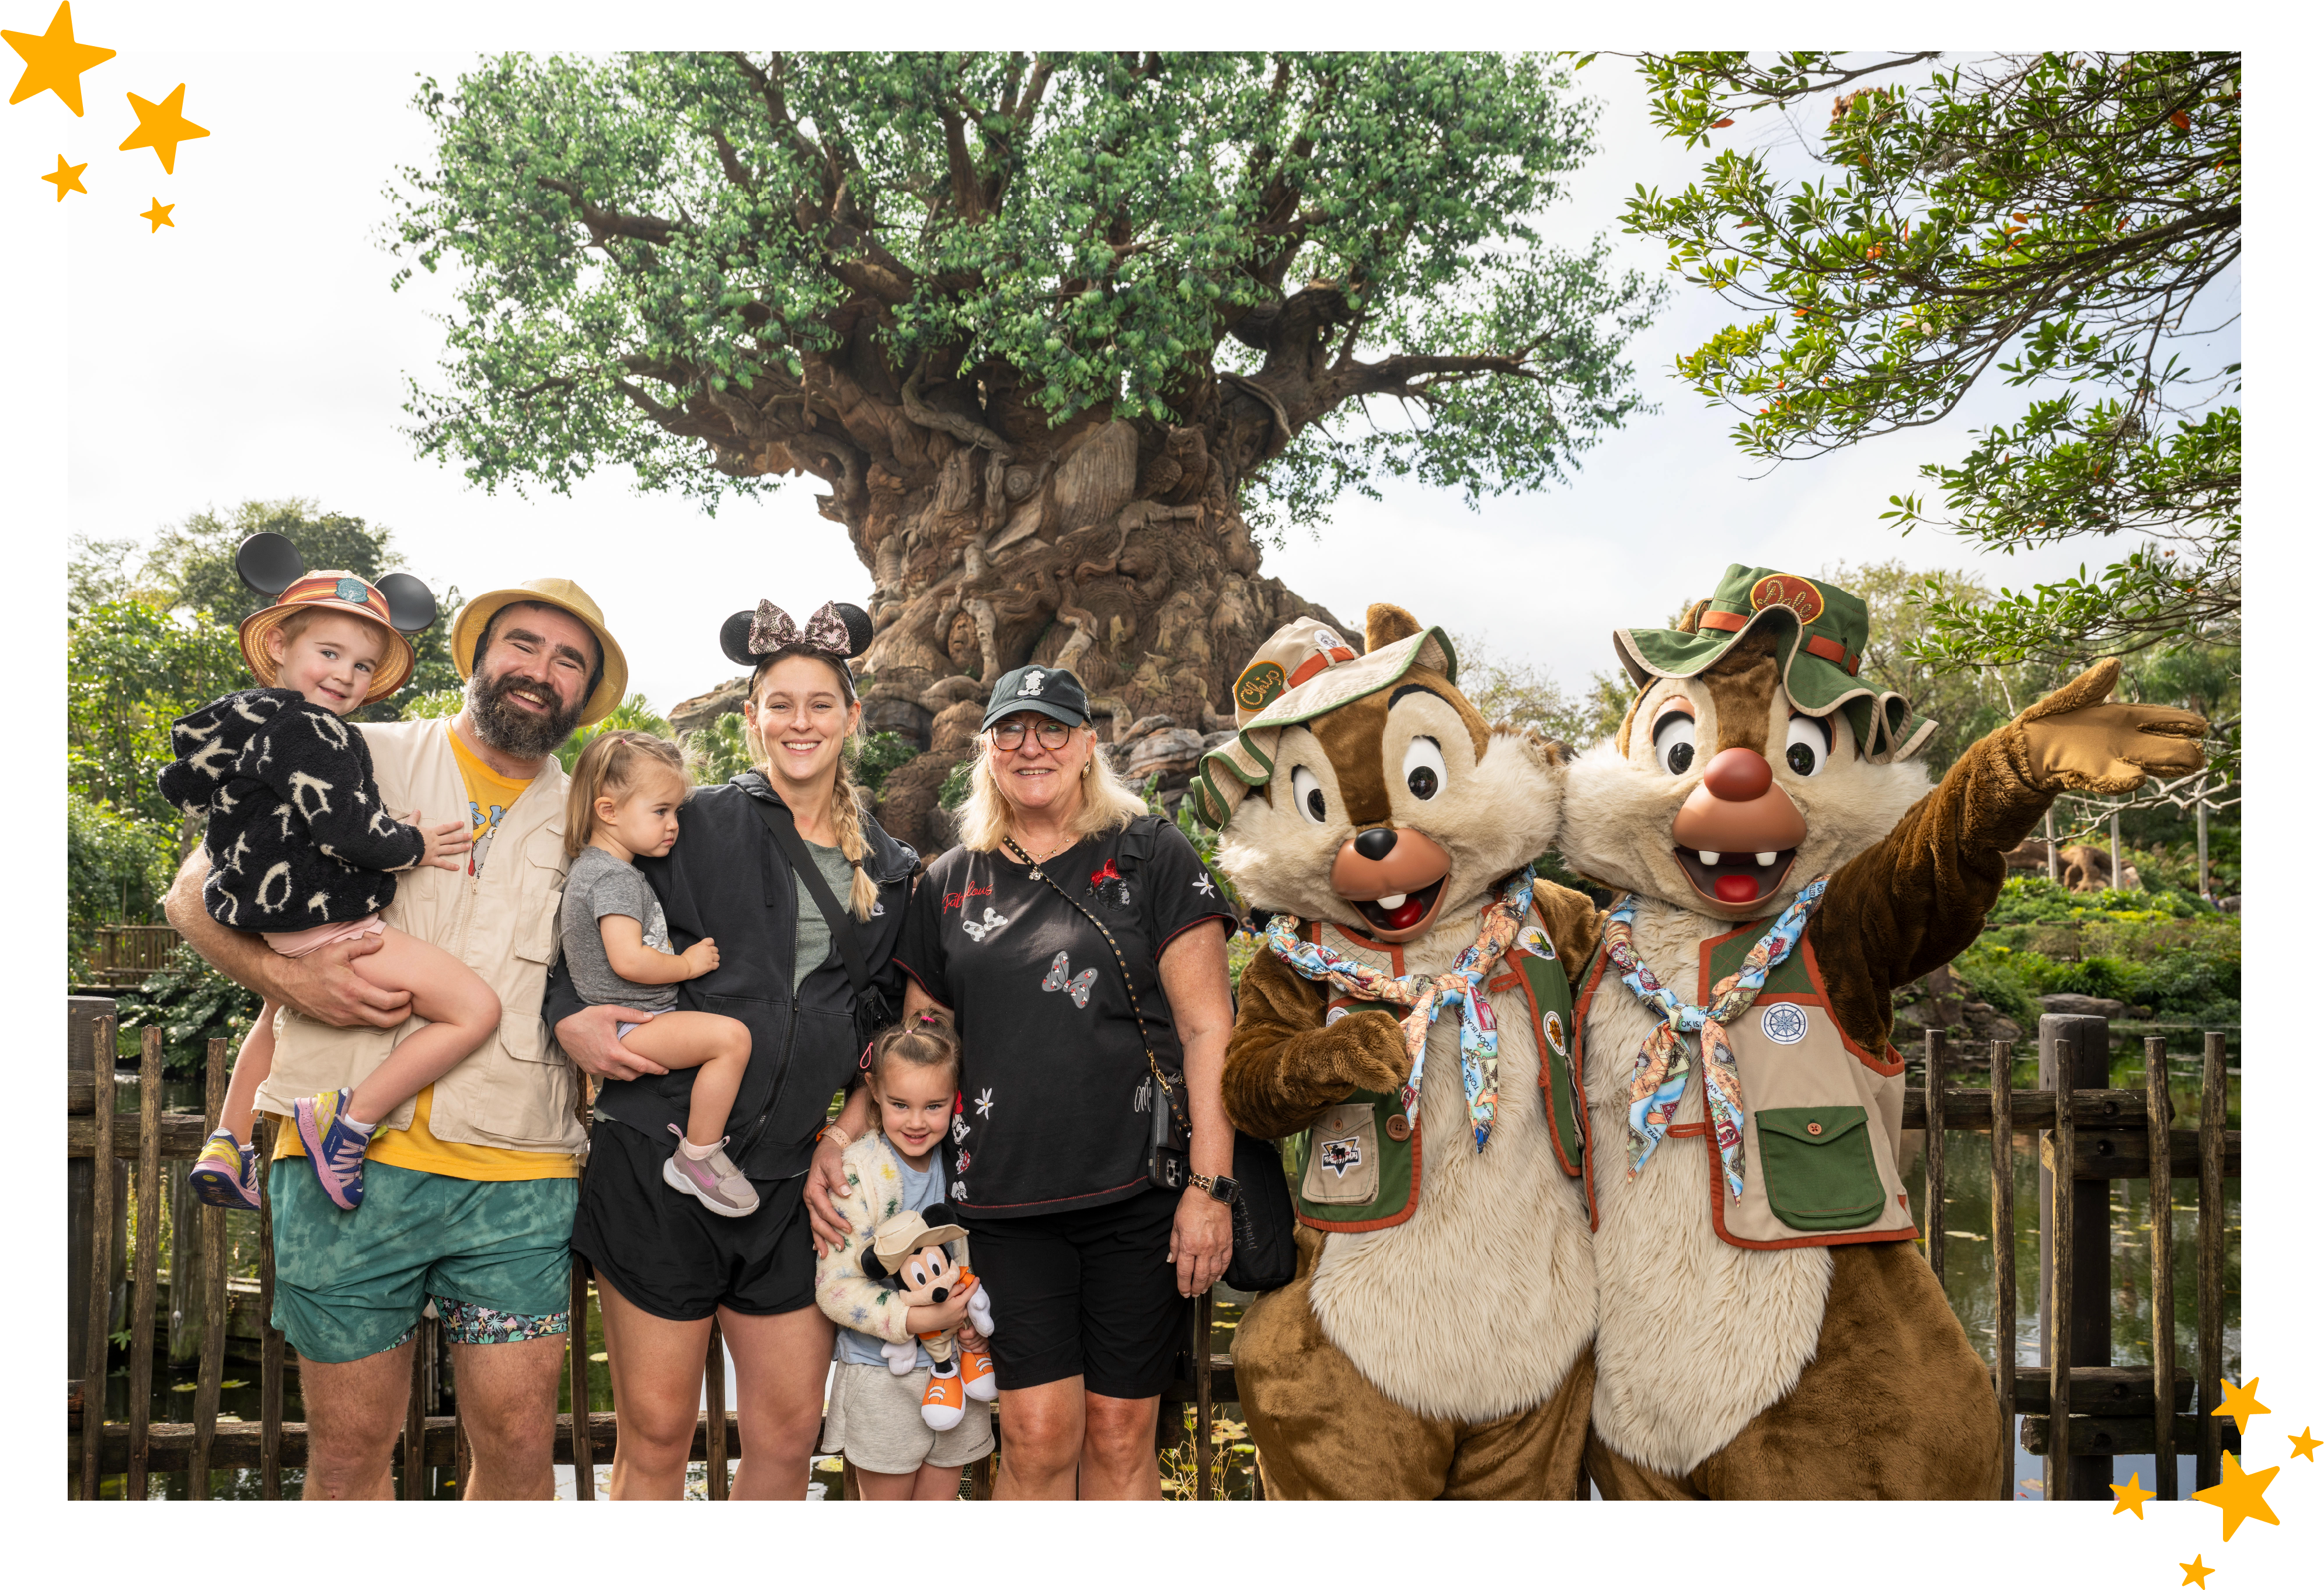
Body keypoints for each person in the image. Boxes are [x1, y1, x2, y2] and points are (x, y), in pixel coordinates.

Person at [165, 576, 626, 1500]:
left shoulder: (593, 812)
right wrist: (289, 976)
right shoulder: (347, 749)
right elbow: (189, 894)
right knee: (346, 1455)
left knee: (520, 1451)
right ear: (477, 657)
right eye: (522, 644)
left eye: (568, 659)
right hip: (344, 1170)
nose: (540, 670)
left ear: (585, 691)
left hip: (517, 1170)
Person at [548, 599, 917, 1500]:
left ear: (851, 715)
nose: (800, 722)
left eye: (821, 703)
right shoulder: (692, 822)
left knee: (790, 1435)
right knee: (659, 1435)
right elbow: (594, 922)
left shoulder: (894, 865)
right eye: (779, 703)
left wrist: (844, 1132)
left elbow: (882, 1031)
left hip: (788, 1186)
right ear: (750, 717)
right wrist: (569, 1012)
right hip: (660, 1161)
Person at [895, 663, 1236, 1499]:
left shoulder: (1150, 850)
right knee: (1037, 1435)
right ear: (987, 750)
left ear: (1088, 744)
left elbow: (1207, 1028)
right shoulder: (949, 880)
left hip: (1137, 1193)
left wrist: (1211, 1186)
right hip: (1004, 1201)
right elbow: (923, 1044)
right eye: (1011, 729)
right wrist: (855, 1135)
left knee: (1123, 1436)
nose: (1031, 745)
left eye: (1053, 727)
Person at [168, 568, 498, 1215]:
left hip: (272, 923)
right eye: (329, 653)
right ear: (280, 649)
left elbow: (280, 820)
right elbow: (345, 828)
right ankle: (348, 1121)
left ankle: (228, 1141)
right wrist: (414, 844)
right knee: (475, 1011)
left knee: (274, 1014)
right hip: (327, 922)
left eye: (363, 664)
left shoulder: (250, 725)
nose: (346, 674)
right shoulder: (315, 730)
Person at [558, 730, 756, 1215]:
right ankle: (698, 1156)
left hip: (628, 1021)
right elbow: (628, 959)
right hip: (630, 1024)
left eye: (676, 812)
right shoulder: (614, 877)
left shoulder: (597, 868)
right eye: (660, 811)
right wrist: (687, 964)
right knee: (731, 1039)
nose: (674, 825)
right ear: (608, 810)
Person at [813, 1014, 995, 1498]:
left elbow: (973, 1263)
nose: (917, 1121)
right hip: (881, 1375)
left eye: (934, 1106)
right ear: (873, 1091)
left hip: (954, 1367)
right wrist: (918, 1317)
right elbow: (835, 1289)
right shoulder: (858, 1173)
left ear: (955, 1097)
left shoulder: (962, 1162)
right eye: (900, 1104)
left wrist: (975, 1318)